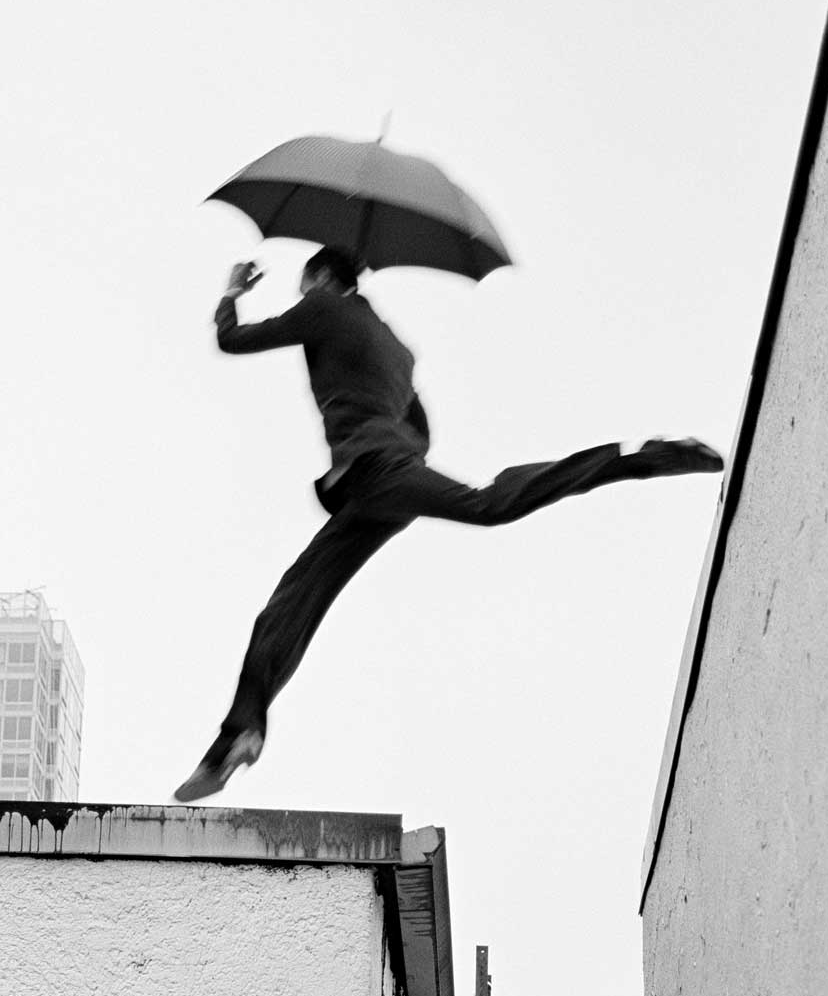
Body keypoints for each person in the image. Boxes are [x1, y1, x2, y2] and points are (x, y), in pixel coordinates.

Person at [175, 246, 723, 801]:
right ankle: (240, 732)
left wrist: (232, 295)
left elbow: (233, 340)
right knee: (293, 599)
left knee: (483, 508)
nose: (301, 292)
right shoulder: (398, 349)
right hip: (383, 488)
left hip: (375, 474)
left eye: (304, 281)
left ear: (322, 278)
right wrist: (393, 451)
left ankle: (641, 456)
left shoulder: (321, 308)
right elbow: (421, 430)